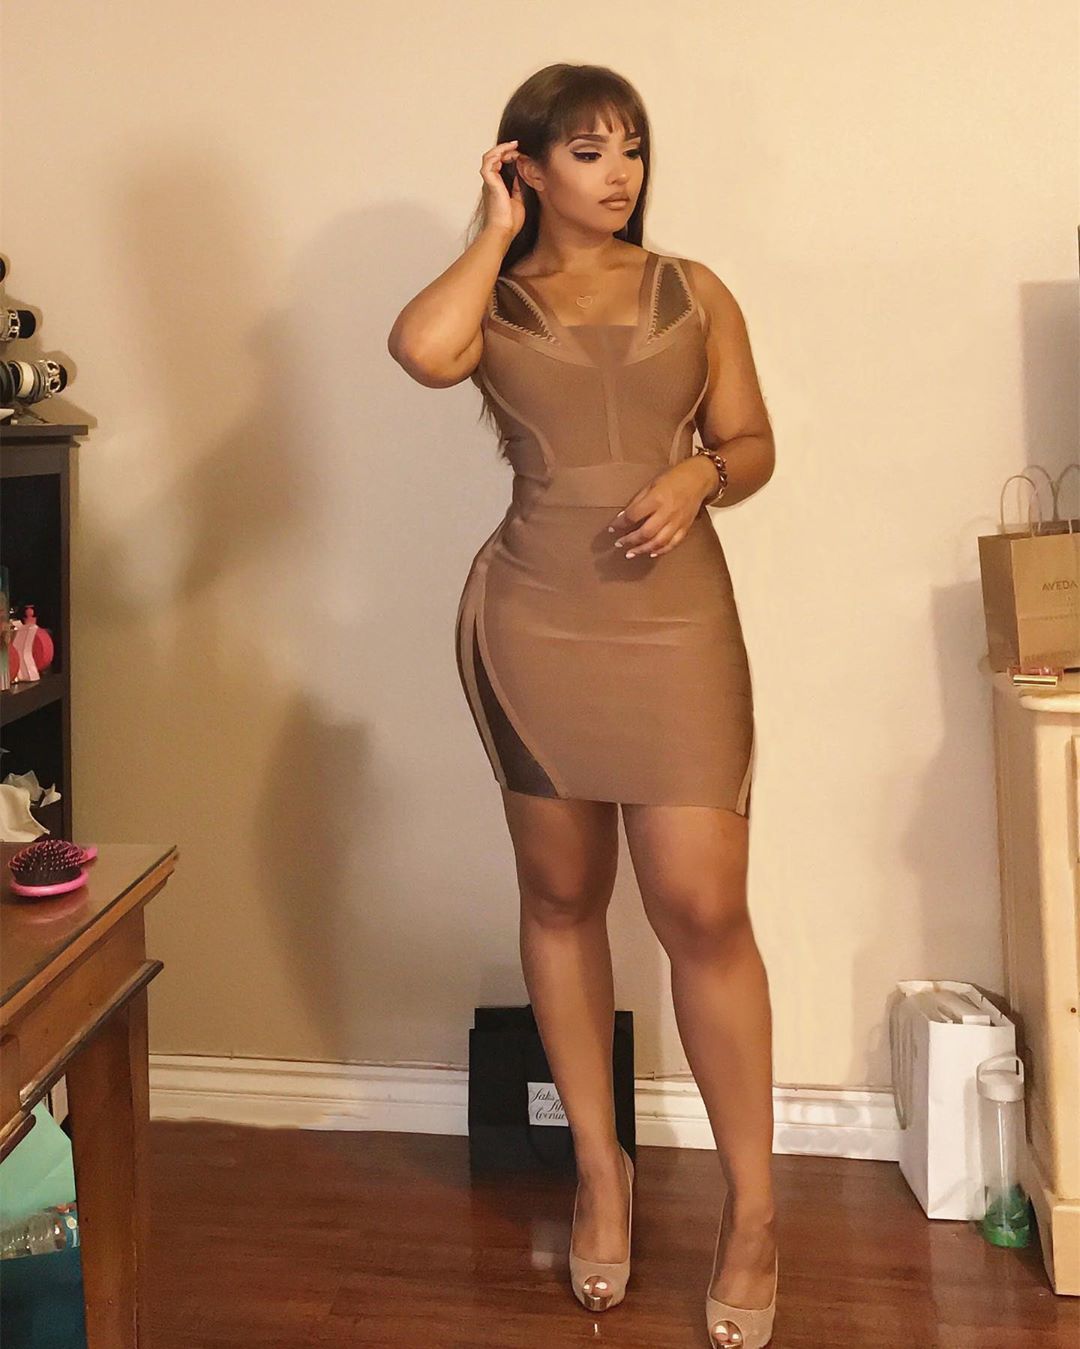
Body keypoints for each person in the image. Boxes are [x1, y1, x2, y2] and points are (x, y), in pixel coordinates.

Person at [388, 62, 777, 1349]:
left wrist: (699, 476)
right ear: (527, 164)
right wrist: (493, 231)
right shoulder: (493, 300)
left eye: (634, 150)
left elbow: (755, 444)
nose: (621, 175)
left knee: (703, 906)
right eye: (590, 151)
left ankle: (755, 1211)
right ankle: (601, 1171)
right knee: (561, 896)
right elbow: (420, 351)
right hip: (535, 621)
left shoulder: (694, 289)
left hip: (677, 624)